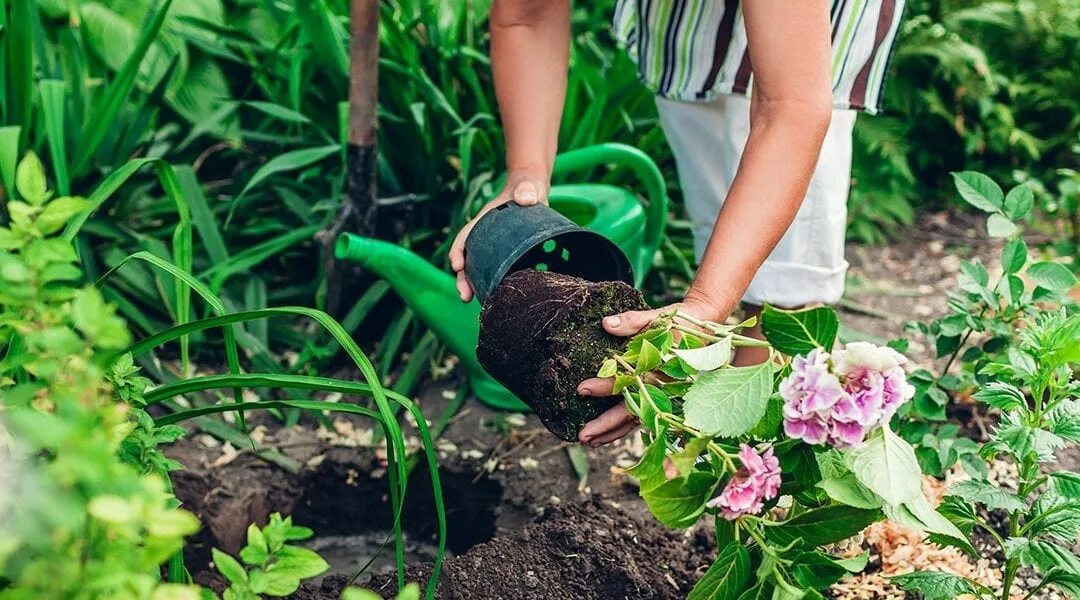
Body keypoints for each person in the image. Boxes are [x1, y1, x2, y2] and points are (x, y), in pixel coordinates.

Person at [449, 0, 905, 448]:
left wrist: (704, 309)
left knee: (785, 282)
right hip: (690, 23)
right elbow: (528, 14)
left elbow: (792, 106)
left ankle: (766, 463)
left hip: (803, 39)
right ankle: (726, 444)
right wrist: (526, 174)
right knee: (724, 232)